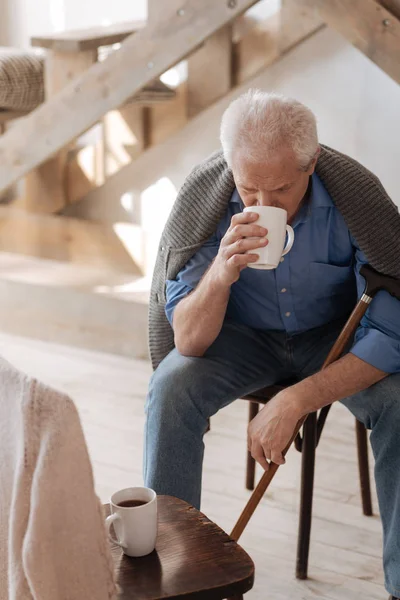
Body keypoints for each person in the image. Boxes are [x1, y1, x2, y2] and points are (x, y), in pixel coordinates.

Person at [144, 90, 400, 599]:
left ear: (313, 163)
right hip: (239, 339)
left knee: (399, 403)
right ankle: (170, 580)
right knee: (171, 389)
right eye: (248, 188)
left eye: (280, 189)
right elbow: (190, 342)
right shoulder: (207, 200)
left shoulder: (356, 201)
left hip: (332, 336)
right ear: (230, 169)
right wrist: (222, 271)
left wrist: (297, 399)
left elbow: (392, 333)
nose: (261, 206)